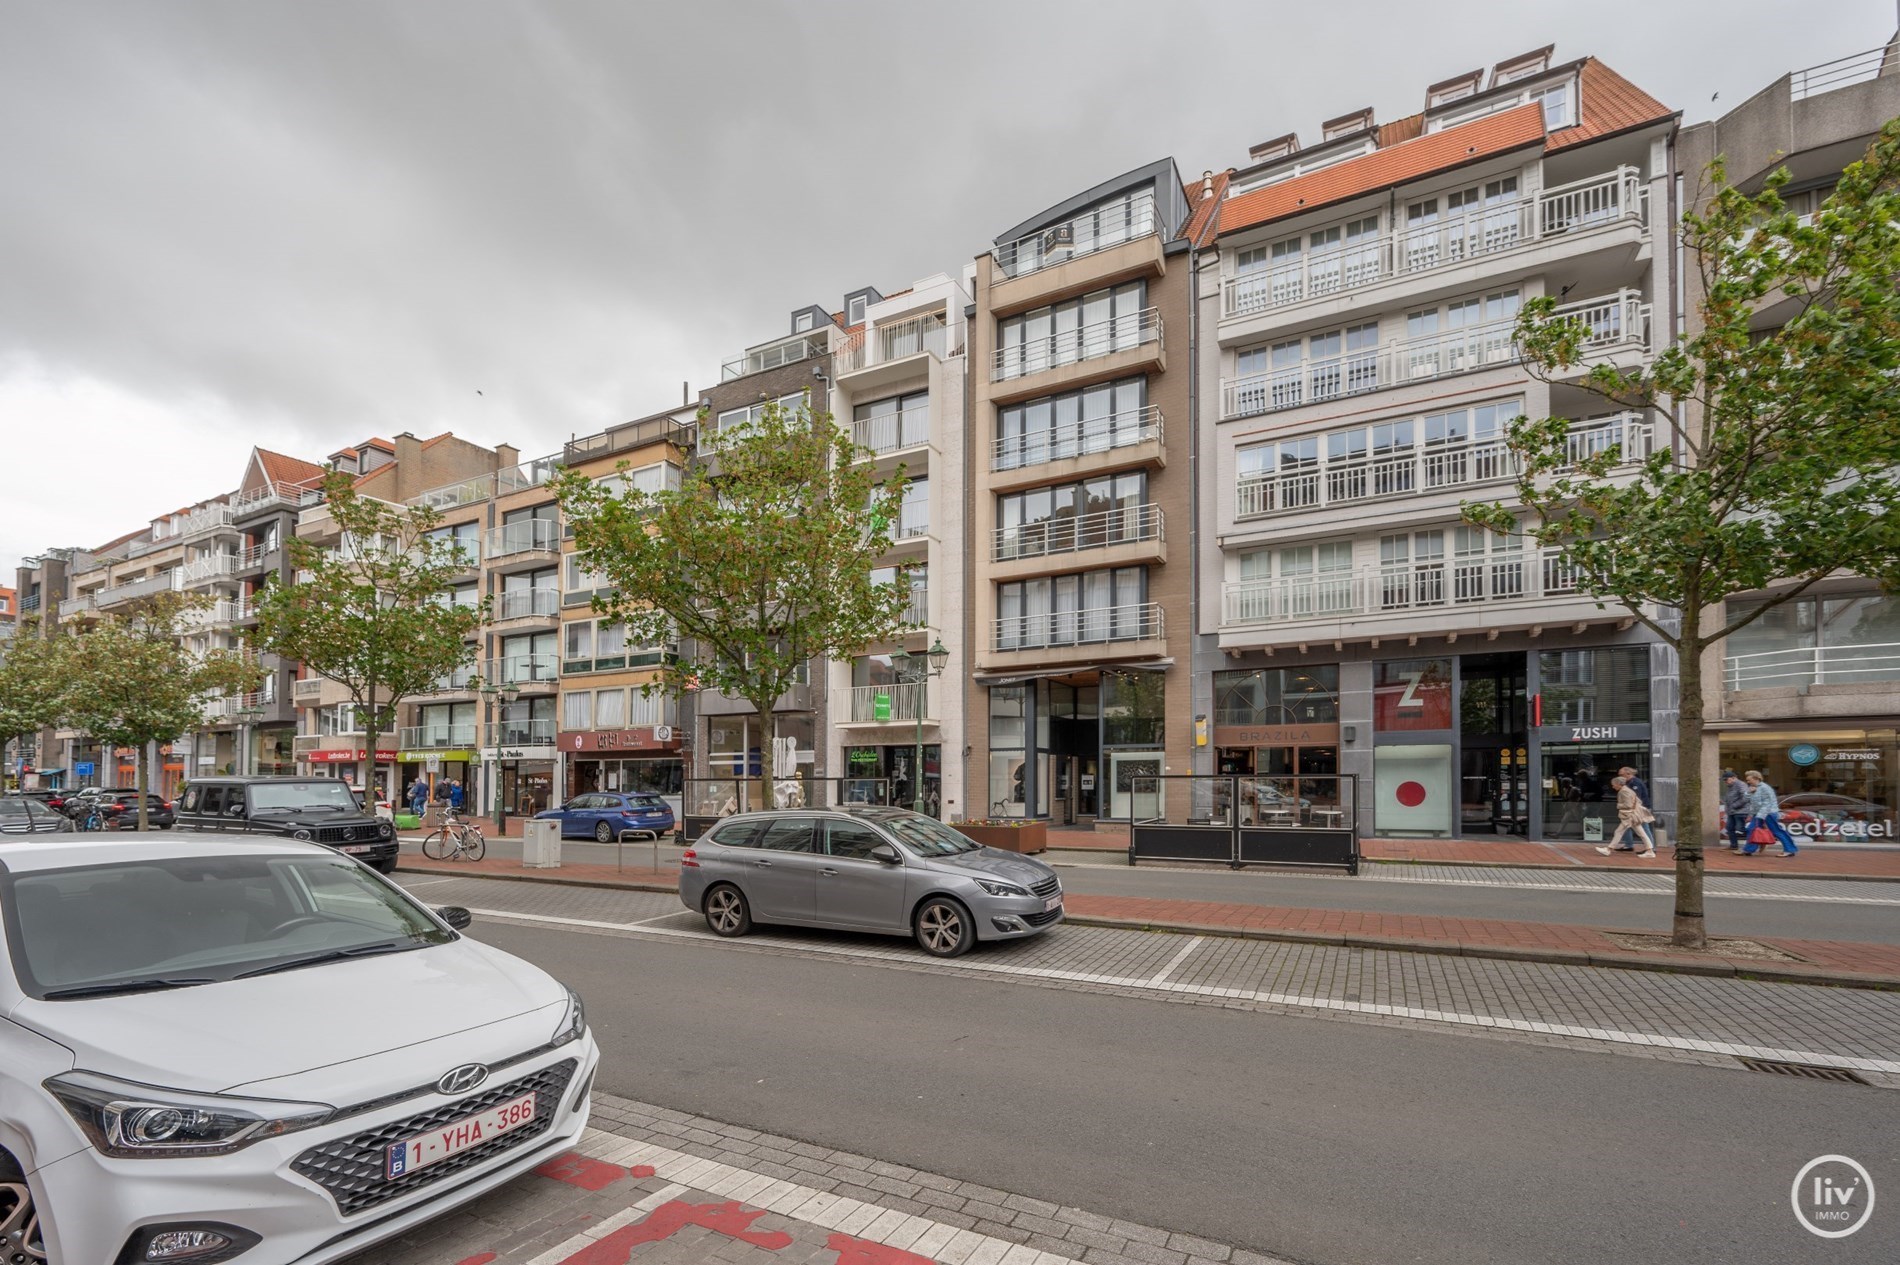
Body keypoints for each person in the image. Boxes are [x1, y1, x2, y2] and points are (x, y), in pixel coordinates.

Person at [1594, 775, 1657, 858]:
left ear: (1618, 784)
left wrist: (1618, 805)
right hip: (1631, 815)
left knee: (1619, 832)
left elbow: (1628, 804)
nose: (1613, 787)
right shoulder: (1627, 790)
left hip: (1629, 816)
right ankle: (1650, 850)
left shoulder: (1624, 791)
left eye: (1613, 784)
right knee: (1641, 833)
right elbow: (1638, 801)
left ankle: (1608, 849)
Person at [1743, 770, 1798, 856]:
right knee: (1752, 829)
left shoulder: (1764, 788)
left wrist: (1760, 816)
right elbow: (1747, 800)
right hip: (1758, 814)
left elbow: (1767, 803)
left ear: (1756, 778)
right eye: (1747, 780)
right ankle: (1748, 850)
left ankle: (1790, 849)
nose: (1748, 782)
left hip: (1768, 813)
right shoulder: (1754, 788)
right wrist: (1749, 792)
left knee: (1776, 831)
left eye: (1749, 780)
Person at [1720, 771, 1750, 852]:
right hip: (1732, 811)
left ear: (1734, 778)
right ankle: (1733, 846)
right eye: (1724, 780)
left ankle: (1756, 841)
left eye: (1726, 779)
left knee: (1740, 830)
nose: (1725, 781)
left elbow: (1745, 798)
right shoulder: (1730, 786)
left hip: (1740, 811)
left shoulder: (1741, 784)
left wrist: (1734, 805)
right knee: (1729, 828)